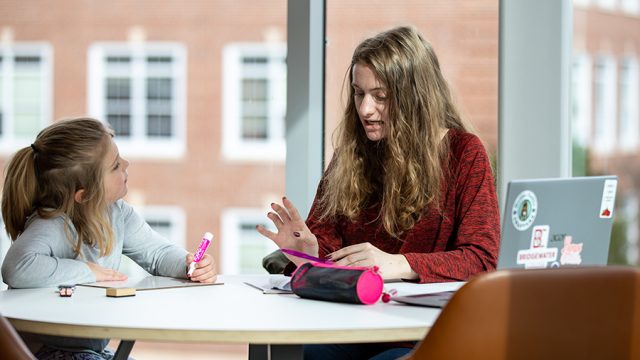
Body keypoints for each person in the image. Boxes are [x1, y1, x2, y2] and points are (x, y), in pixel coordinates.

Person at [256, 26, 500, 360]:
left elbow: (482, 258)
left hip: (424, 331)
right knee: (311, 355)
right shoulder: (351, 155)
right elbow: (328, 250)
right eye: (359, 93)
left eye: (381, 96)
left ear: (415, 96)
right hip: (353, 324)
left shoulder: (464, 153)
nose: (366, 109)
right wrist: (309, 253)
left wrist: (399, 264)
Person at [1, 117, 217, 359]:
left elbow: (157, 254)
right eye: (115, 166)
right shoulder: (52, 223)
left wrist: (188, 264)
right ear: (84, 195)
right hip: (45, 351)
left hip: (88, 348)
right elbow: (16, 268)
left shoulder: (118, 213)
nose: (126, 163)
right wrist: (90, 271)